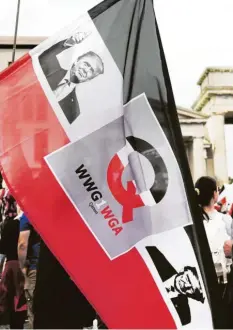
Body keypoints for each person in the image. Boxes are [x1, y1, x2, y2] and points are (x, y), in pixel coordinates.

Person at [39, 31, 104, 124]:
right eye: (86, 64)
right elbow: (45, 56)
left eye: (91, 71)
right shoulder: (50, 67)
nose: (86, 70)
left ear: (90, 79)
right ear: (76, 61)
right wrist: (71, 41)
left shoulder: (74, 111)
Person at [146, 246, 205, 326]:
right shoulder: (153, 255)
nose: (186, 285)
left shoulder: (184, 317)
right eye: (187, 278)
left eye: (192, 289)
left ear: (192, 295)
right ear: (183, 270)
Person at [195, 176, 232, 283]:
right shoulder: (225, 219)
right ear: (214, 194)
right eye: (217, 189)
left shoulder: (194, 221)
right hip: (224, 279)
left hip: (201, 281)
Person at [0, 188, 27, 329]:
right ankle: (18, 324)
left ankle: (9, 323)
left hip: (11, 264)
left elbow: (2, 249)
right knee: (20, 298)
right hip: (24, 264)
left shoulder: (9, 224)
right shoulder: (28, 223)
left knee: (7, 297)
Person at [18, 213, 40, 329]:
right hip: (56, 269)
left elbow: (22, 244)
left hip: (35, 268)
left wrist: (22, 268)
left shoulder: (28, 216)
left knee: (34, 312)